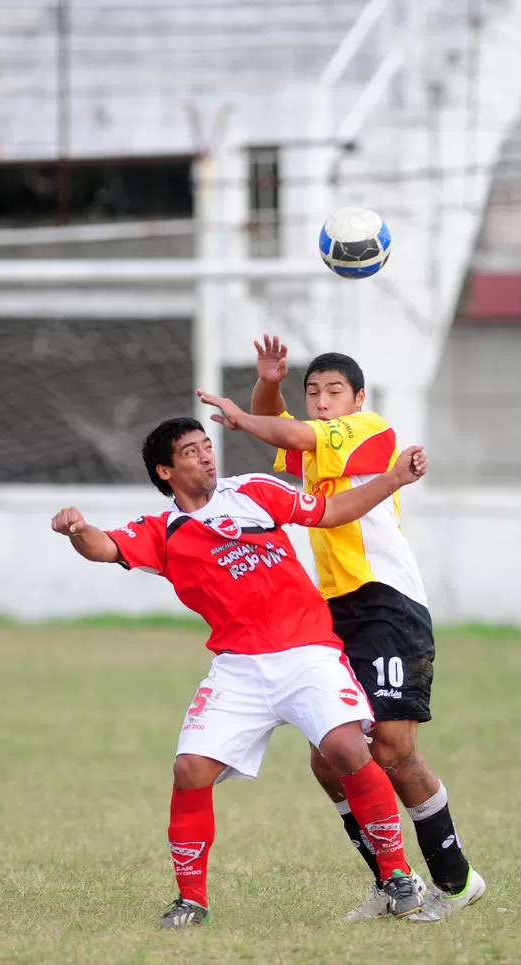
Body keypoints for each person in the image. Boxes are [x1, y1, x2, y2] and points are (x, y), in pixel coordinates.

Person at [52, 416, 431, 927]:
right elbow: (104, 546)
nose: (207, 455)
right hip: (239, 668)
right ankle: (192, 901)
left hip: (307, 652)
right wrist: (77, 529)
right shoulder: (161, 531)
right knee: (190, 770)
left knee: (346, 749)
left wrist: (392, 479)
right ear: (165, 470)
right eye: (191, 451)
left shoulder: (254, 491)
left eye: (208, 446)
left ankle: (398, 877)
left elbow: (331, 510)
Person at [195, 337, 485, 923]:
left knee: (393, 749)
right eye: (313, 393)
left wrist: (243, 417)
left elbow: (287, 433)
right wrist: (270, 384)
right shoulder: (319, 453)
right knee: (330, 758)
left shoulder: (367, 431)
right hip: (334, 613)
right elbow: (283, 429)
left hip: (387, 603)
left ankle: (456, 884)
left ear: (357, 399)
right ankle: (392, 884)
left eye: (333, 393)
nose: (322, 403)